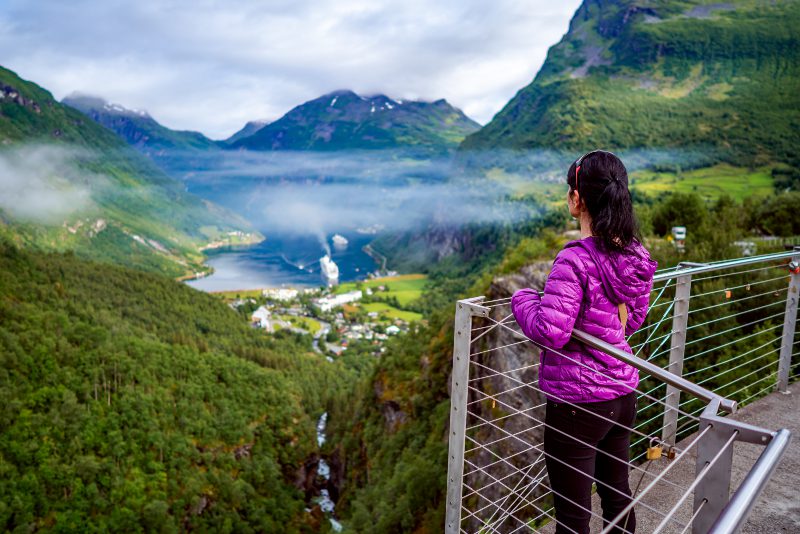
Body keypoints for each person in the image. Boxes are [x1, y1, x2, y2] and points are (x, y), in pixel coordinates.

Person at [511, 150, 657, 534]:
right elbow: (633, 321)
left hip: (578, 406)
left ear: (577, 199)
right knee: (617, 497)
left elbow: (551, 331)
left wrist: (522, 299)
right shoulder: (635, 256)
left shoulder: (574, 261)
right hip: (622, 395)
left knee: (574, 518)